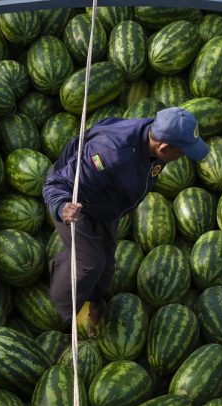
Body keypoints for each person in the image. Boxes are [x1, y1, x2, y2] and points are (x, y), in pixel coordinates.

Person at [42, 107, 210, 335]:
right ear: (165, 148)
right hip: (74, 201)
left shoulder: (155, 136)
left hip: (105, 203)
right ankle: (59, 313)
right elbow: (57, 183)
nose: (183, 158)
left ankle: (93, 299)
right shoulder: (110, 153)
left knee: (106, 264)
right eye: (182, 153)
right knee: (89, 264)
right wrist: (62, 206)